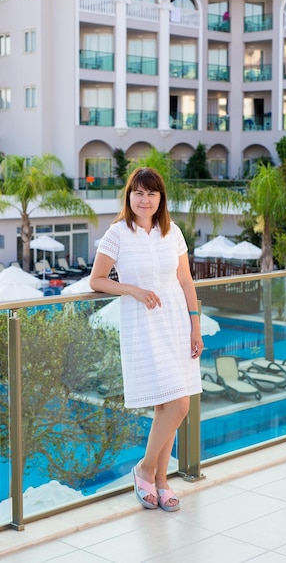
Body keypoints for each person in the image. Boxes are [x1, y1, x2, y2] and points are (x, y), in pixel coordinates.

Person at [89, 167, 203, 512]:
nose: (145, 199)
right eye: (138, 193)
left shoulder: (173, 233)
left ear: (160, 199)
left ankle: (161, 479)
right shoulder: (117, 234)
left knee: (167, 404)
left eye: (151, 194)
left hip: (175, 323)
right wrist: (133, 290)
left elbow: (185, 281)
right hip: (143, 323)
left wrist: (195, 324)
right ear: (129, 196)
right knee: (178, 404)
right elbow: (97, 280)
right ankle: (146, 469)